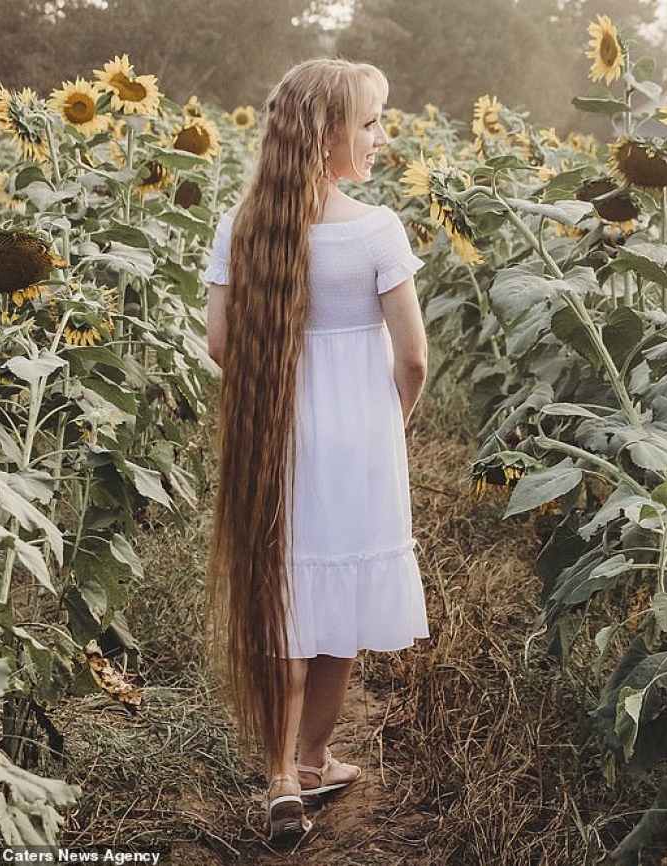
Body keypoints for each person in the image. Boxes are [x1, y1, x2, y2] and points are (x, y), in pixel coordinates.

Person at [203, 58, 430, 841]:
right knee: (340, 600)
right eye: (369, 123)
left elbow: (221, 343)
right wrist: (383, 423)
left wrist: (278, 399)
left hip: (273, 433)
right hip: (359, 436)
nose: (379, 136)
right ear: (327, 134)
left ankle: (276, 778)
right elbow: (413, 360)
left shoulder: (242, 224)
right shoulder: (375, 229)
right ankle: (314, 759)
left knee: (280, 595)